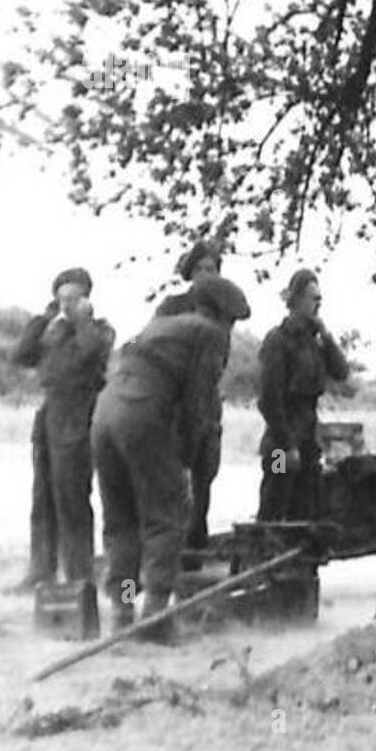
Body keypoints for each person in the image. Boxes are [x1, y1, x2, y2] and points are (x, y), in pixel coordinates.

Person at [91, 274, 251, 638]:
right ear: (224, 315)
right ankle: (156, 614)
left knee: (122, 520)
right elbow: (198, 402)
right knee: (167, 516)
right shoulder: (210, 334)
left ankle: (122, 609)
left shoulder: (160, 326)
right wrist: (189, 458)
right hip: (143, 414)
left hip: (104, 413)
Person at [10, 268, 115, 590]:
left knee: (71, 495)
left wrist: (81, 320)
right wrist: (44, 318)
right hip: (50, 412)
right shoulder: (51, 332)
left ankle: (79, 575)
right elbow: (21, 355)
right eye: (62, 298)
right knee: (42, 495)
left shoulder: (99, 330)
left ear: (87, 299)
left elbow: (90, 353)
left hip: (79, 413)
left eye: (74, 298)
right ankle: (41, 568)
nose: (67, 304)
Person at [256, 270, 349, 523]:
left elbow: (341, 372)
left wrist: (326, 336)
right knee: (273, 501)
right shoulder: (278, 340)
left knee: (306, 506)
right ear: (295, 300)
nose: (317, 303)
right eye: (312, 298)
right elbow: (269, 398)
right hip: (279, 440)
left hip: (308, 434)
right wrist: (287, 444)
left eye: (320, 299)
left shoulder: (315, 342)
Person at [154, 239, 225, 557]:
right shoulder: (172, 307)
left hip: (207, 408)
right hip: (178, 406)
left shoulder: (223, 312)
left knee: (205, 476)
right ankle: (173, 546)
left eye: (212, 269)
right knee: (174, 480)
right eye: (200, 269)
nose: (207, 275)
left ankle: (197, 538)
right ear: (189, 272)